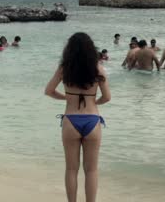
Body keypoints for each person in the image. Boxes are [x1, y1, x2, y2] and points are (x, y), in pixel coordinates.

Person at [45, 32, 110, 202]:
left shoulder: (64, 69)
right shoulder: (98, 69)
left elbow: (49, 91)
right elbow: (107, 97)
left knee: (71, 170)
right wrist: (94, 102)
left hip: (71, 120)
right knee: (92, 170)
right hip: (92, 120)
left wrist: (66, 97)